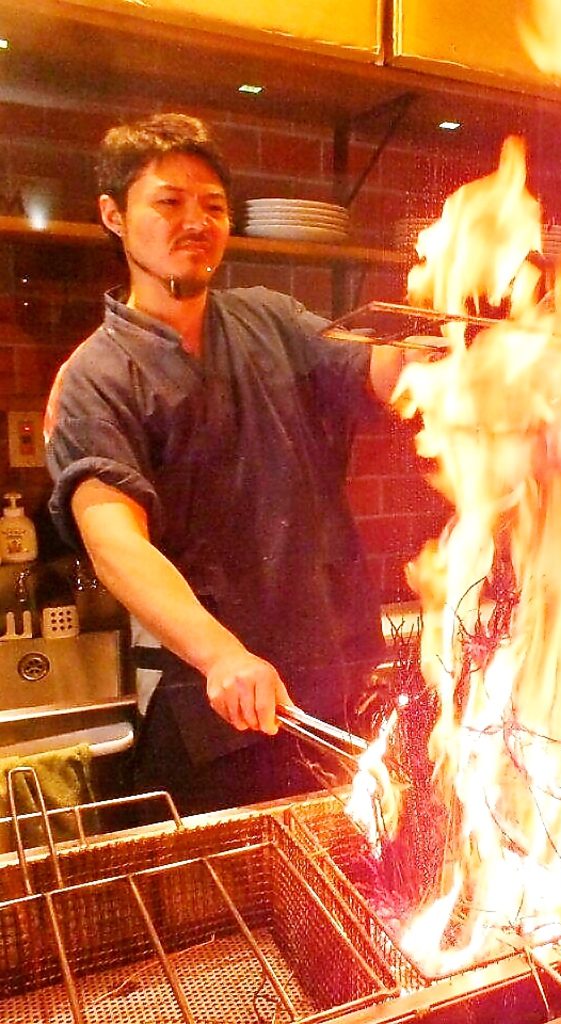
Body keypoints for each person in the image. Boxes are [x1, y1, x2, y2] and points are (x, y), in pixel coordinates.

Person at [44, 113, 407, 816]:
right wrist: (221, 656)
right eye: (169, 203)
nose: (196, 222)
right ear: (113, 215)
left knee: (360, 904)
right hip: (214, 717)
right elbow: (114, 540)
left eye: (213, 206)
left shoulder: (270, 319)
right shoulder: (97, 375)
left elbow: (379, 374)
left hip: (336, 691)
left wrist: (456, 340)